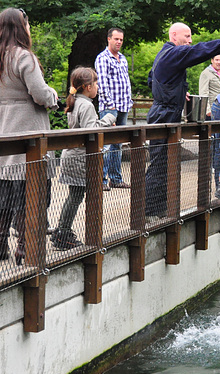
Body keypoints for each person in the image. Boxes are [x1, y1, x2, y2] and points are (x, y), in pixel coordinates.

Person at [144, 22, 220, 219]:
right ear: (174, 35)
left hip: (164, 111)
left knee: (165, 162)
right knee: (160, 163)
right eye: (187, 36)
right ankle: (149, 211)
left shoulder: (164, 54)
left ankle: (158, 209)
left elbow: (153, 78)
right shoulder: (174, 54)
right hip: (164, 115)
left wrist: (175, 92)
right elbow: (201, 50)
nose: (190, 40)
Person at [0, 8, 58, 265]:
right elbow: (39, 93)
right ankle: (25, 248)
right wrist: (54, 96)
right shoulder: (24, 57)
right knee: (33, 189)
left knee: (4, 189)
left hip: (5, 127)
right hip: (28, 126)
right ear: (21, 27)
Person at [52, 67, 116, 250]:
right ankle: (63, 232)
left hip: (72, 156)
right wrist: (108, 118)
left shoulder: (76, 101)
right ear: (88, 86)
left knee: (74, 196)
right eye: (95, 84)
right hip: (80, 159)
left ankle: (62, 231)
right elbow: (91, 130)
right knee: (76, 196)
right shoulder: (86, 105)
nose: (97, 87)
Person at [94, 28, 132, 191]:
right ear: (108, 39)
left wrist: (129, 101)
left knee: (118, 144)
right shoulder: (103, 58)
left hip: (124, 106)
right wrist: (111, 106)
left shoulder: (123, 58)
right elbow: (101, 84)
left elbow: (126, 81)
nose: (119, 42)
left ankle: (115, 179)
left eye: (121, 40)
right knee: (106, 145)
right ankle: (101, 180)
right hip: (110, 108)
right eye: (116, 39)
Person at [199, 54, 220, 191]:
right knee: (216, 143)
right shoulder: (206, 73)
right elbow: (203, 92)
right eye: (216, 59)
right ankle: (216, 178)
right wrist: (207, 110)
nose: (219, 62)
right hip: (213, 110)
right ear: (211, 60)